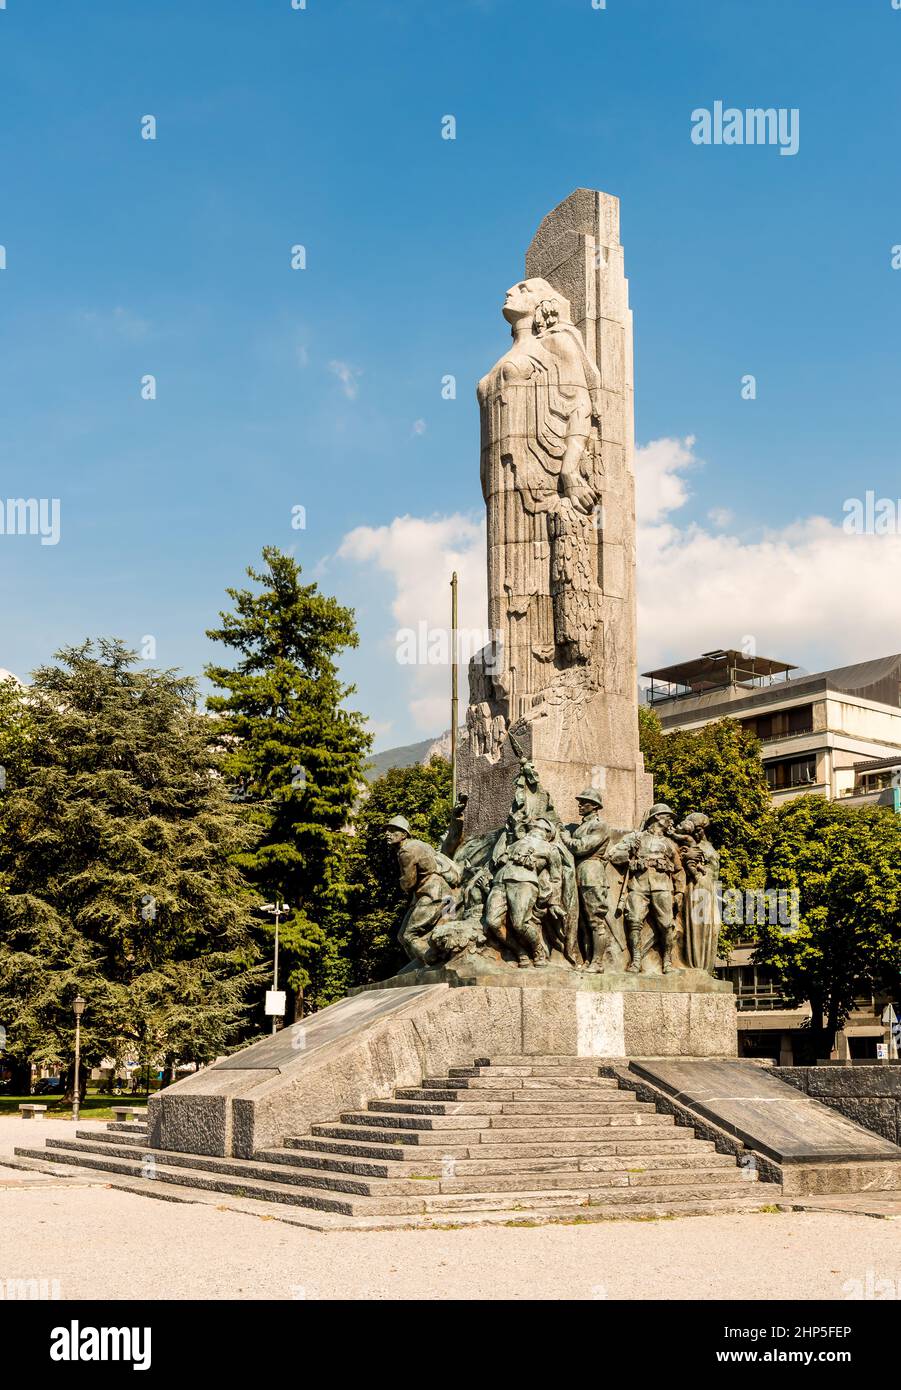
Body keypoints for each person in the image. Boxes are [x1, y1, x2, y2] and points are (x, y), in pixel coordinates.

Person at [609, 804, 681, 974]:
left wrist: (679, 892)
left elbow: (679, 870)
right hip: (638, 886)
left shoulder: (669, 844)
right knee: (634, 922)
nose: (671, 821)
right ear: (657, 817)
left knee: (666, 925)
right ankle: (635, 960)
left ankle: (667, 961)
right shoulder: (637, 838)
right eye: (668, 817)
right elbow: (614, 854)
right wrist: (630, 859)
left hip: (662, 887)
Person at [385, 815, 461, 965]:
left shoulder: (406, 852)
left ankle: (430, 963)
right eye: (387, 831)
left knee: (408, 935)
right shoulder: (422, 844)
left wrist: (402, 884)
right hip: (449, 896)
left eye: (392, 830)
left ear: (404, 834)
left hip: (433, 895)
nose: (387, 834)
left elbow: (408, 882)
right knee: (446, 928)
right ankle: (428, 963)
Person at [562, 787, 612, 973]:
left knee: (595, 921)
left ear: (595, 806)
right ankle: (587, 961)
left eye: (585, 802)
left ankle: (597, 963)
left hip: (592, 874)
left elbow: (582, 847)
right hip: (579, 874)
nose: (580, 805)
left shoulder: (600, 826)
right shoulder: (582, 826)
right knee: (582, 922)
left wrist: (566, 838)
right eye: (580, 802)